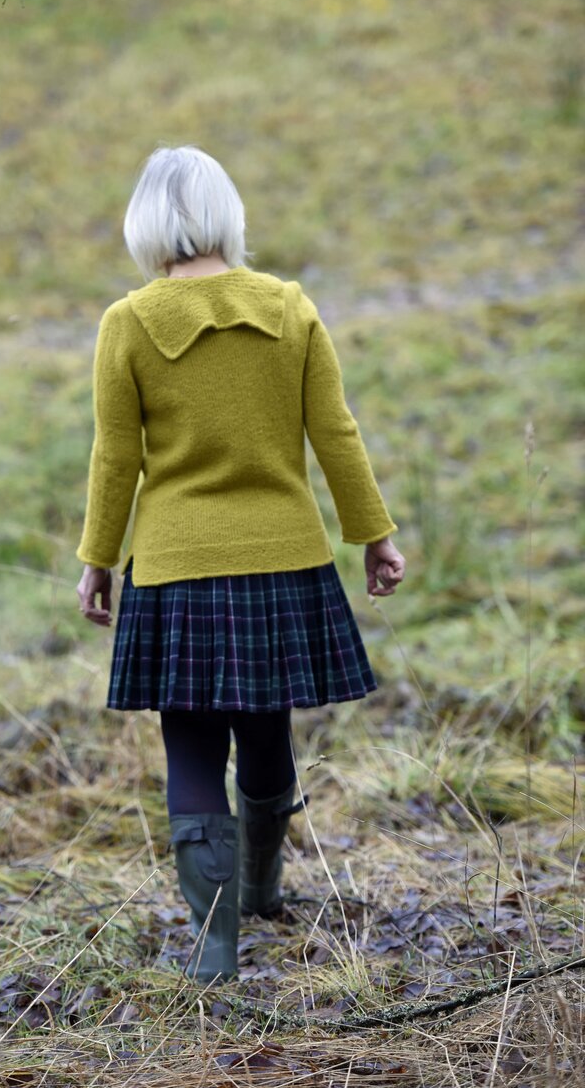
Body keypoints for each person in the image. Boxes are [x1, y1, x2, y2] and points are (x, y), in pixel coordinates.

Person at [75, 145, 405, 984]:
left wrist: (98, 560)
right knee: (266, 730)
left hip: (176, 564)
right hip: (281, 558)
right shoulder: (289, 308)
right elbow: (336, 431)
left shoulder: (129, 322)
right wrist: (375, 533)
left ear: (146, 222)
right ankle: (261, 888)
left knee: (190, 743)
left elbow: (115, 458)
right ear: (228, 214)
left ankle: (214, 944)